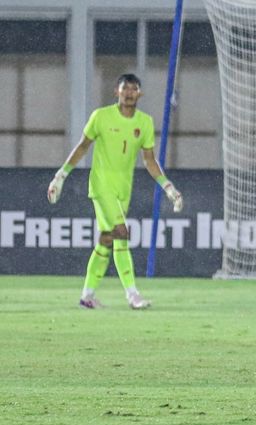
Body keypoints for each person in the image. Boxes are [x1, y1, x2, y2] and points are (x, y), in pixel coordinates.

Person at [47, 73, 183, 310]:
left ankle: (87, 295)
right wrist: (61, 175)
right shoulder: (100, 116)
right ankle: (133, 294)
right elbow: (82, 147)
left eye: (133, 89)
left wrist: (168, 187)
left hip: (123, 189)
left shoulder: (144, 122)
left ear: (139, 94)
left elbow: (150, 161)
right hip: (101, 186)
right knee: (121, 233)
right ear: (116, 92)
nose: (129, 93)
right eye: (125, 88)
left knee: (106, 241)